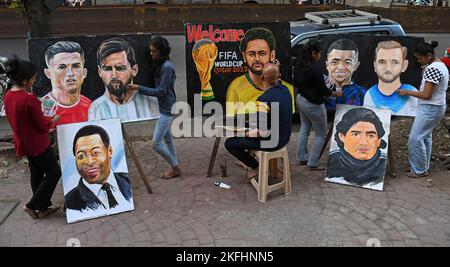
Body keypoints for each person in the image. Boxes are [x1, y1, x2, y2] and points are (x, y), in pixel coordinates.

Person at [3, 56, 61, 219]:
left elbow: (21, 119)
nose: (34, 81)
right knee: (54, 173)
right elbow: (42, 126)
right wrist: (53, 120)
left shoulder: (8, 96)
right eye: (33, 79)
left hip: (23, 142)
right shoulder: (29, 99)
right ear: (24, 81)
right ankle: (32, 205)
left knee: (36, 174)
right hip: (38, 144)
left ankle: (43, 207)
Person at [225, 63, 292, 181]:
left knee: (230, 143)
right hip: (284, 137)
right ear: (279, 76)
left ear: (262, 78)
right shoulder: (286, 90)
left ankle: (255, 166)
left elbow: (261, 133)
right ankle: (248, 159)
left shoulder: (263, 100)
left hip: (271, 142)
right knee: (247, 125)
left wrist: (245, 133)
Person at [127, 36, 181, 179]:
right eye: (151, 51)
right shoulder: (159, 64)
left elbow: (161, 91)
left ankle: (175, 166)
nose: (151, 54)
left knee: (156, 143)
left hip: (167, 109)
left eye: (154, 51)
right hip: (163, 107)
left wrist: (139, 88)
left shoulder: (167, 67)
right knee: (168, 139)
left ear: (162, 52)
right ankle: (174, 166)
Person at [398, 41, 449, 178]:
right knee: (425, 137)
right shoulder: (440, 66)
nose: (419, 61)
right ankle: (421, 166)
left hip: (430, 108)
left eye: (420, 58)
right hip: (435, 107)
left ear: (429, 56)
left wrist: (407, 92)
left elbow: (426, 95)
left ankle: (419, 170)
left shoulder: (433, 69)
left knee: (415, 139)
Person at [294, 39, 342, 170]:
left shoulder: (299, 64)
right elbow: (324, 90)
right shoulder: (315, 68)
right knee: (321, 133)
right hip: (313, 103)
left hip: (301, 99)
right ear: (313, 53)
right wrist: (336, 93)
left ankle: (301, 157)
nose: (320, 56)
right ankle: (313, 162)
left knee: (304, 128)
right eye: (319, 53)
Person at [225, 27, 294, 116]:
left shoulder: (288, 89)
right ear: (244, 56)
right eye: (251, 54)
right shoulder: (235, 88)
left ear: (272, 55)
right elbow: (232, 120)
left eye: (262, 54)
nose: (257, 59)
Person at [88, 37, 159, 123]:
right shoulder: (95, 109)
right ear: (100, 72)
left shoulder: (151, 103)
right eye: (107, 69)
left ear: (134, 70)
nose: (114, 75)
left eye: (120, 68)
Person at [64, 124, 133, 211]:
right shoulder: (71, 203)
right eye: (81, 156)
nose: (89, 162)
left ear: (110, 152)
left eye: (96, 153)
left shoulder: (126, 180)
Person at [325, 107, 387, 188]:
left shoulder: (382, 165)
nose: (363, 142)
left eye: (371, 135)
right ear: (342, 136)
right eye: (356, 134)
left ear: (378, 141)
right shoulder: (332, 162)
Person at [42, 41, 91, 127]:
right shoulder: (40, 109)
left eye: (76, 66)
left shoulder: (93, 108)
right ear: (48, 73)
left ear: (84, 72)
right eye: (62, 67)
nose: (70, 73)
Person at [364, 40, 418, 116]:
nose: (388, 68)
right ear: (375, 66)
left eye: (395, 62)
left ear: (404, 66)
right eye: (382, 62)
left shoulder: (412, 93)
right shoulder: (369, 95)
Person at [324, 38, 367, 111]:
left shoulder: (363, 94)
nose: (340, 67)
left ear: (356, 65)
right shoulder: (317, 88)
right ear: (327, 65)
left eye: (347, 62)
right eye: (335, 62)